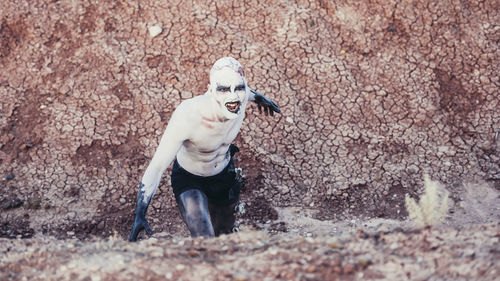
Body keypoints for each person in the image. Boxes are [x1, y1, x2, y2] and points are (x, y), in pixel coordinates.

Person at [129, 57, 280, 241]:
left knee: (224, 239)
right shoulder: (189, 115)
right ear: (211, 90)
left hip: (224, 176)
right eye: (223, 89)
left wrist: (261, 99)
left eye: (239, 89)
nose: (233, 96)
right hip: (190, 180)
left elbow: (246, 92)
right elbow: (157, 166)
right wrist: (140, 213)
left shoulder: (240, 98)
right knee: (205, 240)